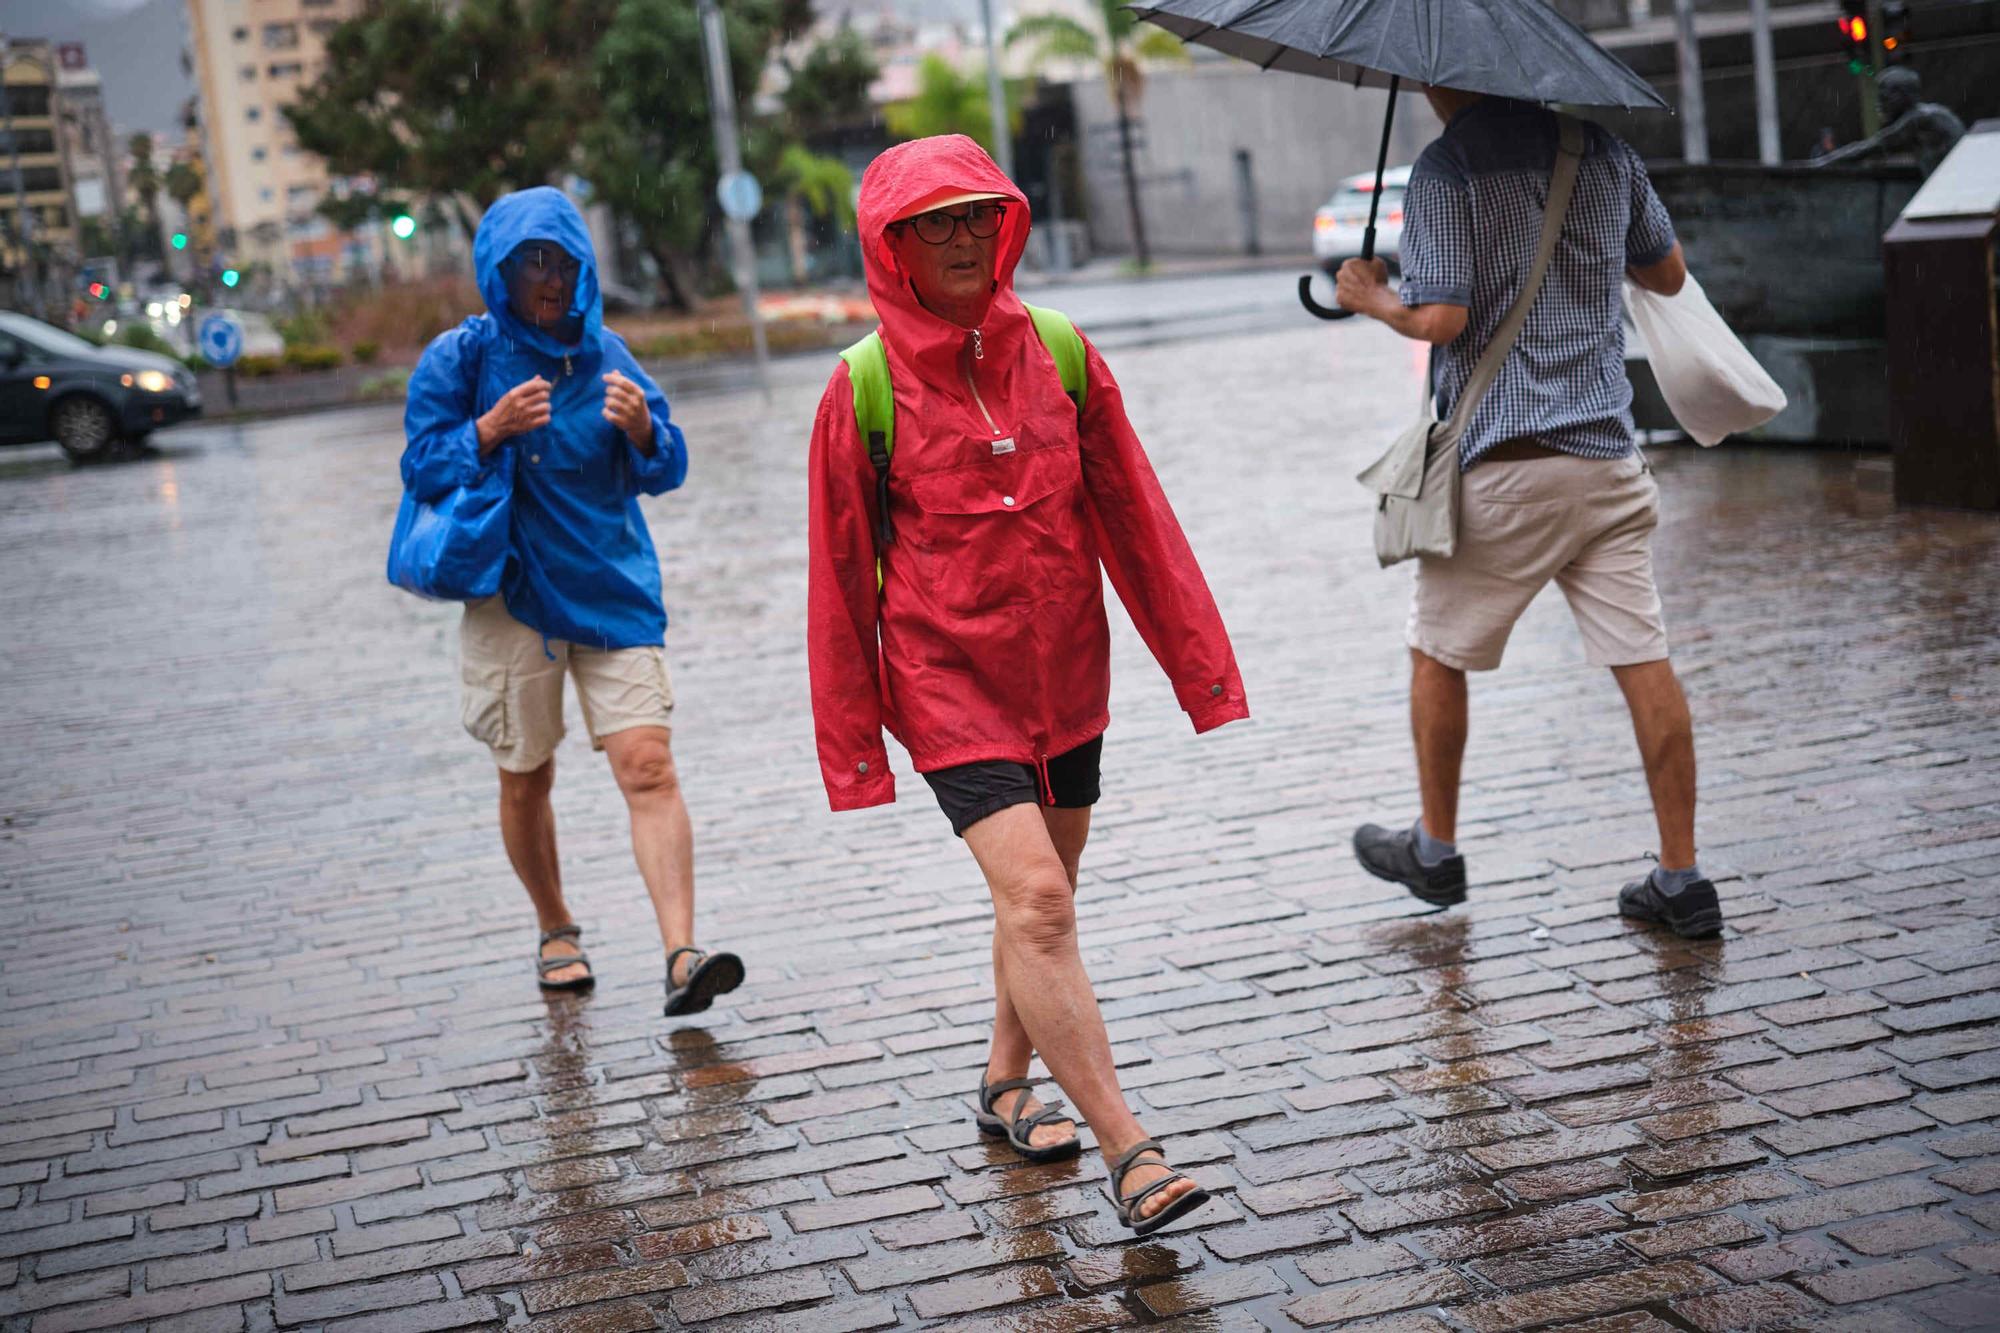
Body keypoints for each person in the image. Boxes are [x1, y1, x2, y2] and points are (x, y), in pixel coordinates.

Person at [806, 135, 1248, 1233]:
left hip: (1067, 676)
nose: (959, 237)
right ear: (891, 245)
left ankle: (1005, 1080)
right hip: (944, 682)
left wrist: (1201, 671)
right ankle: (1128, 1148)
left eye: (974, 215)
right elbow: (833, 583)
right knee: (1041, 900)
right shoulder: (858, 388)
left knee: (1038, 897)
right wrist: (857, 747)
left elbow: (1139, 523)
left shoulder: (1060, 353)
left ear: (1002, 224)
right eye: (931, 222)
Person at [1334, 88, 1722, 940]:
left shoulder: (1447, 168)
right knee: (1643, 656)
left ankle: (1435, 851)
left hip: (1507, 465)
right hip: (1608, 463)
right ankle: (1682, 876)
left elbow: (1442, 317)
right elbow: (1668, 273)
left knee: (1436, 648)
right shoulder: (1603, 151)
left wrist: (1372, 298)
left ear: (1439, 76)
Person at [402, 187, 744, 1012]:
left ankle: (681, 953)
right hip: (510, 593)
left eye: (562, 261)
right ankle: (556, 925)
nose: (550, 278)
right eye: (531, 262)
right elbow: (421, 467)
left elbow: (668, 467)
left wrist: (643, 432)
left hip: (612, 589)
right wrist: (487, 431)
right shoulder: (462, 358)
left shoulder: (610, 355)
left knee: (649, 764)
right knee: (526, 773)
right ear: (500, 270)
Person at [1813, 66, 1966, 177]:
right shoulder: (1929, 116)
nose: (1880, 106)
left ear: (1902, 96)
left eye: (1884, 98)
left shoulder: (1921, 118)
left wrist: (1817, 165)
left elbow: (1869, 147)